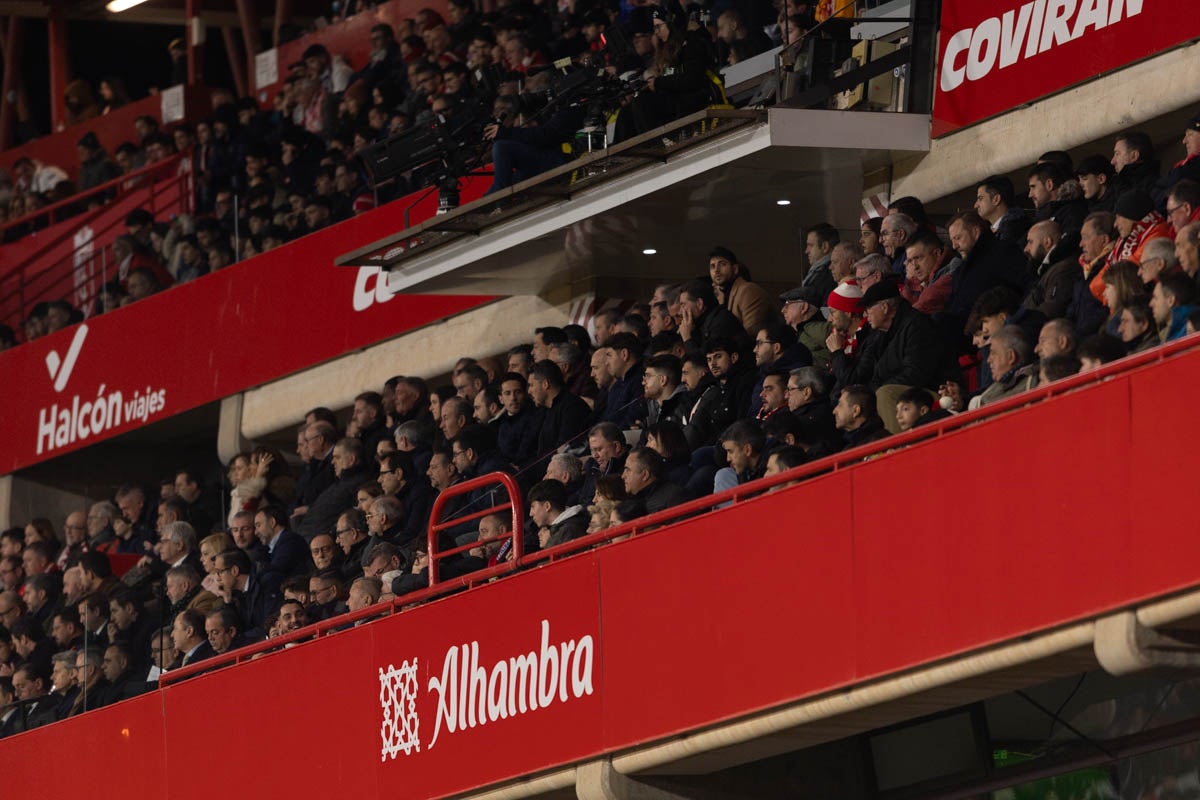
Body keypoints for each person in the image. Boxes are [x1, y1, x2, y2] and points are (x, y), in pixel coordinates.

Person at [708, 246, 778, 334]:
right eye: (712, 266)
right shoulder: (719, 295)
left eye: (722, 264)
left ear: (735, 269)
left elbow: (750, 336)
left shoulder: (748, 291)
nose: (716, 270)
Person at [528, 480, 588, 550]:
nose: (530, 514)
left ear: (547, 506)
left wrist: (550, 543)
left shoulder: (569, 531)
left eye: (533, 507)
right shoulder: (557, 531)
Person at [974, 175, 1030, 245]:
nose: (975, 205)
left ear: (996, 199)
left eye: (980, 198)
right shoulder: (990, 233)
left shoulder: (1014, 229)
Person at [833, 385, 888, 449]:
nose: (834, 411)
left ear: (856, 411)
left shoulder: (880, 444)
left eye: (840, 405)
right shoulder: (851, 445)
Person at [1150, 271, 1197, 343]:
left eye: (1155, 298)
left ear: (1170, 300)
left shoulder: (1192, 330)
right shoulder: (1171, 334)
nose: (1151, 304)